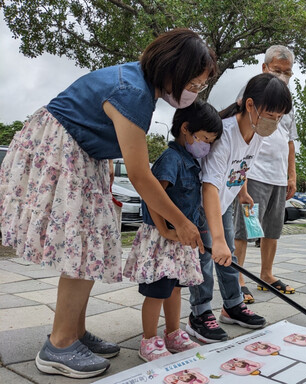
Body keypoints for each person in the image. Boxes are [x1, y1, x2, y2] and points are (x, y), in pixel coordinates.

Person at [0, 28, 215, 378]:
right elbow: (142, 176)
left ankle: (76, 331)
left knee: (89, 244)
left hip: (83, 154)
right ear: (173, 70)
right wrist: (184, 223)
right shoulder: (133, 92)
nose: (195, 91)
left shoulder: (139, 84)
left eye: (200, 86)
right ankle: (60, 344)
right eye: (194, 82)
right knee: (83, 248)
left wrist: (169, 221)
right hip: (65, 150)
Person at [186, 73, 292, 343]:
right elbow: (208, 187)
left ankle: (232, 306)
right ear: (249, 105)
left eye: (280, 117)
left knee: (229, 256)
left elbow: (242, 167)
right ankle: (199, 314)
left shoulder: (257, 133)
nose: (274, 123)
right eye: (270, 114)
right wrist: (217, 238)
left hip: (225, 201)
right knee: (207, 258)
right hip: (202, 207)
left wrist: (242, 193)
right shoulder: (225, 134)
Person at [123, 101, 223, 361]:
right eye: (204, 139)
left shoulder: (191, 161)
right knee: (157, 290)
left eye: (211, 141)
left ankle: (173, 332)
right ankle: (148, 340)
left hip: (181, 238)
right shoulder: (171, 159)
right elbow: (151, 195)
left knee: (176, 287)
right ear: (186, 129)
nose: (207, 146)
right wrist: (164, 230)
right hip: (162, 238)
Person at [233, 45, 298, 303]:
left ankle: (266, 274)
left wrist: (291, 175)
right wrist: (243, 179)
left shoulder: (288, 101)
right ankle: (238, 279)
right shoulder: (253, 91)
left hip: (278, 176)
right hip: (255, 173)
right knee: (244, 230)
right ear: (264, 68)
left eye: (287, 72)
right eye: (277, 70)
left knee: (273, 229)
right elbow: (240, 133)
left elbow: (290, 140)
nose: (282, 76)